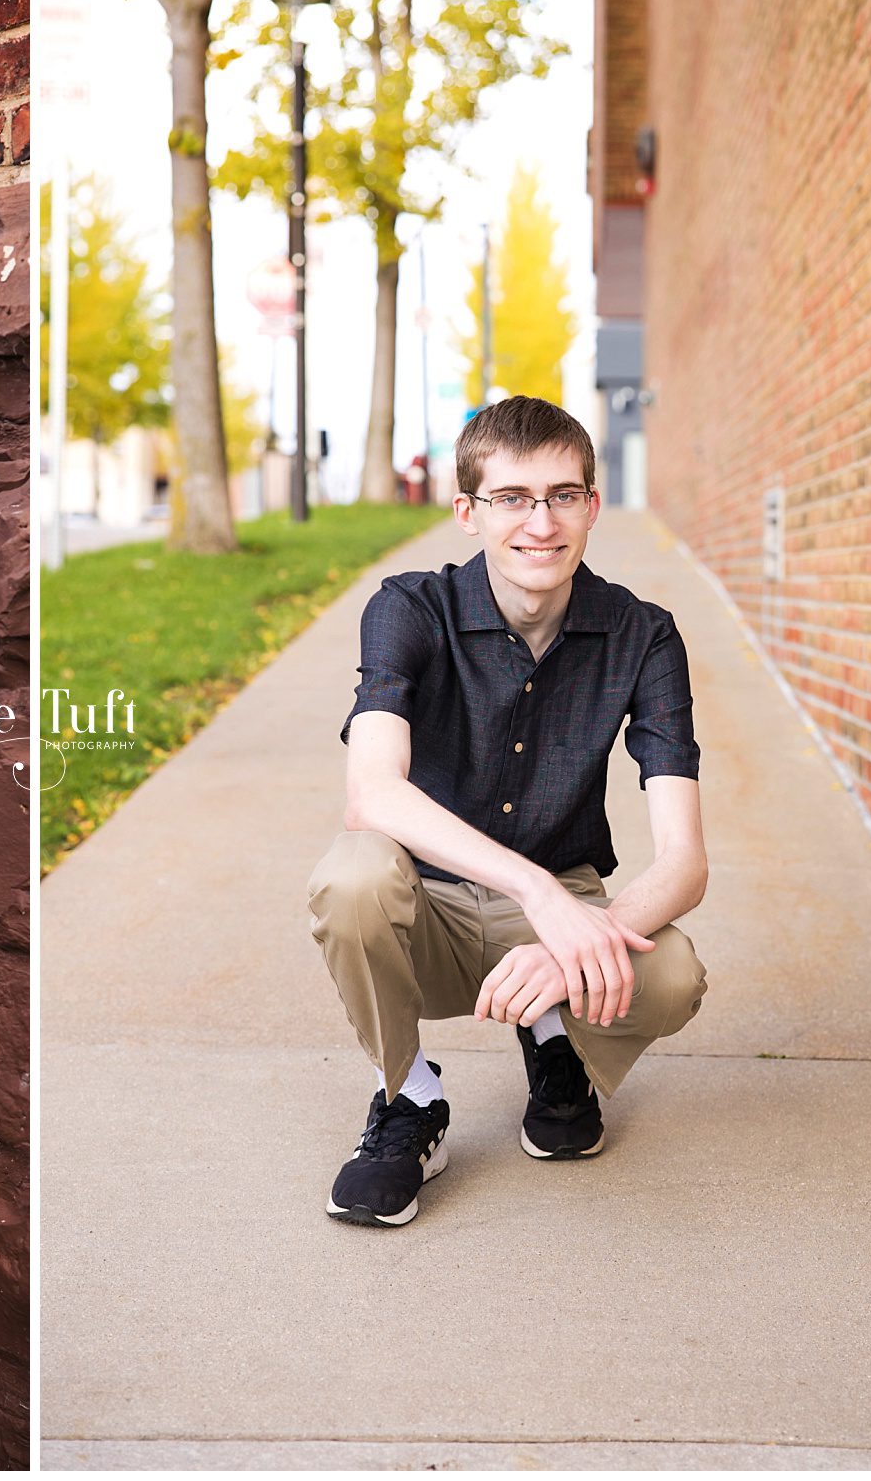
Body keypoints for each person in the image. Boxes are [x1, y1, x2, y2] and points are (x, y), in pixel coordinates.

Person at [307, 396, 708, 1227]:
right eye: (513, 498)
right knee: (352, 876)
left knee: (672, 975)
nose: (541, 522)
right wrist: (542, 897)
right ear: (468, 513)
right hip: (430, 912)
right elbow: (371, 793)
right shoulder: (410, 609)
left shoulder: (645, 636)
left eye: (563, 495)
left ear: (592, 506)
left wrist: (570, 951)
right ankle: (410, 1097)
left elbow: (684, 861)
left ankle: (557, 1037)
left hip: (556, 912)